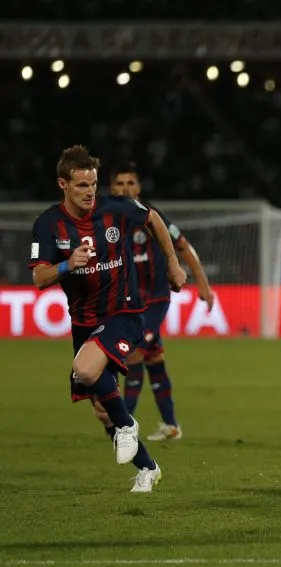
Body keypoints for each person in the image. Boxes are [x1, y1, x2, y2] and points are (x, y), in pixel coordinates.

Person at [27, 145, 187, 492]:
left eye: (93, 184)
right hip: (85, 320)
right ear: (63, 184)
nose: (90, 192)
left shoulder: (116, 209)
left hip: (124, 311)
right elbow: (40, 278)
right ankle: (148, 468)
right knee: (103, 412)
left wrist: (173, 263)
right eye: (82, 185)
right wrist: (69, 264)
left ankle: (129, 425)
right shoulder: (48, 224)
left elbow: (154, 219)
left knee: (84, 370)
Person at [102, 161, 214, 441]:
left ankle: (123, 424)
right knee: (155, 359)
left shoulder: (151, 215)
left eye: (131, 183)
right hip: (128, 302)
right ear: (111, 188)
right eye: (120, 183)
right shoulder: (107, 217)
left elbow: (183, 245)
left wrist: (203, 283)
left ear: (138, 187)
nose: (126, 188)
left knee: (135, 352)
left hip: (155, 299)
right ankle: (170, 425)